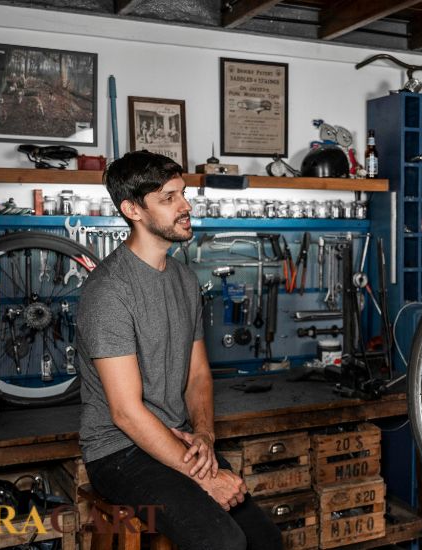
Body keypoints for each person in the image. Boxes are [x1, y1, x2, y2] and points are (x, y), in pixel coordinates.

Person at [76, 151, 282, 550]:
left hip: (179, 441)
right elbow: (125, 412)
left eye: (183, 194)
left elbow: (198, 375)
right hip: (119, 451)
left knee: (265, 540)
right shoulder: (109, 292)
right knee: (222, 542)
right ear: (132, 209)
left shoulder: (185, 279)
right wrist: (206, 477)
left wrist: (204, 436)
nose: (186, 206)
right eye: (168, 198)